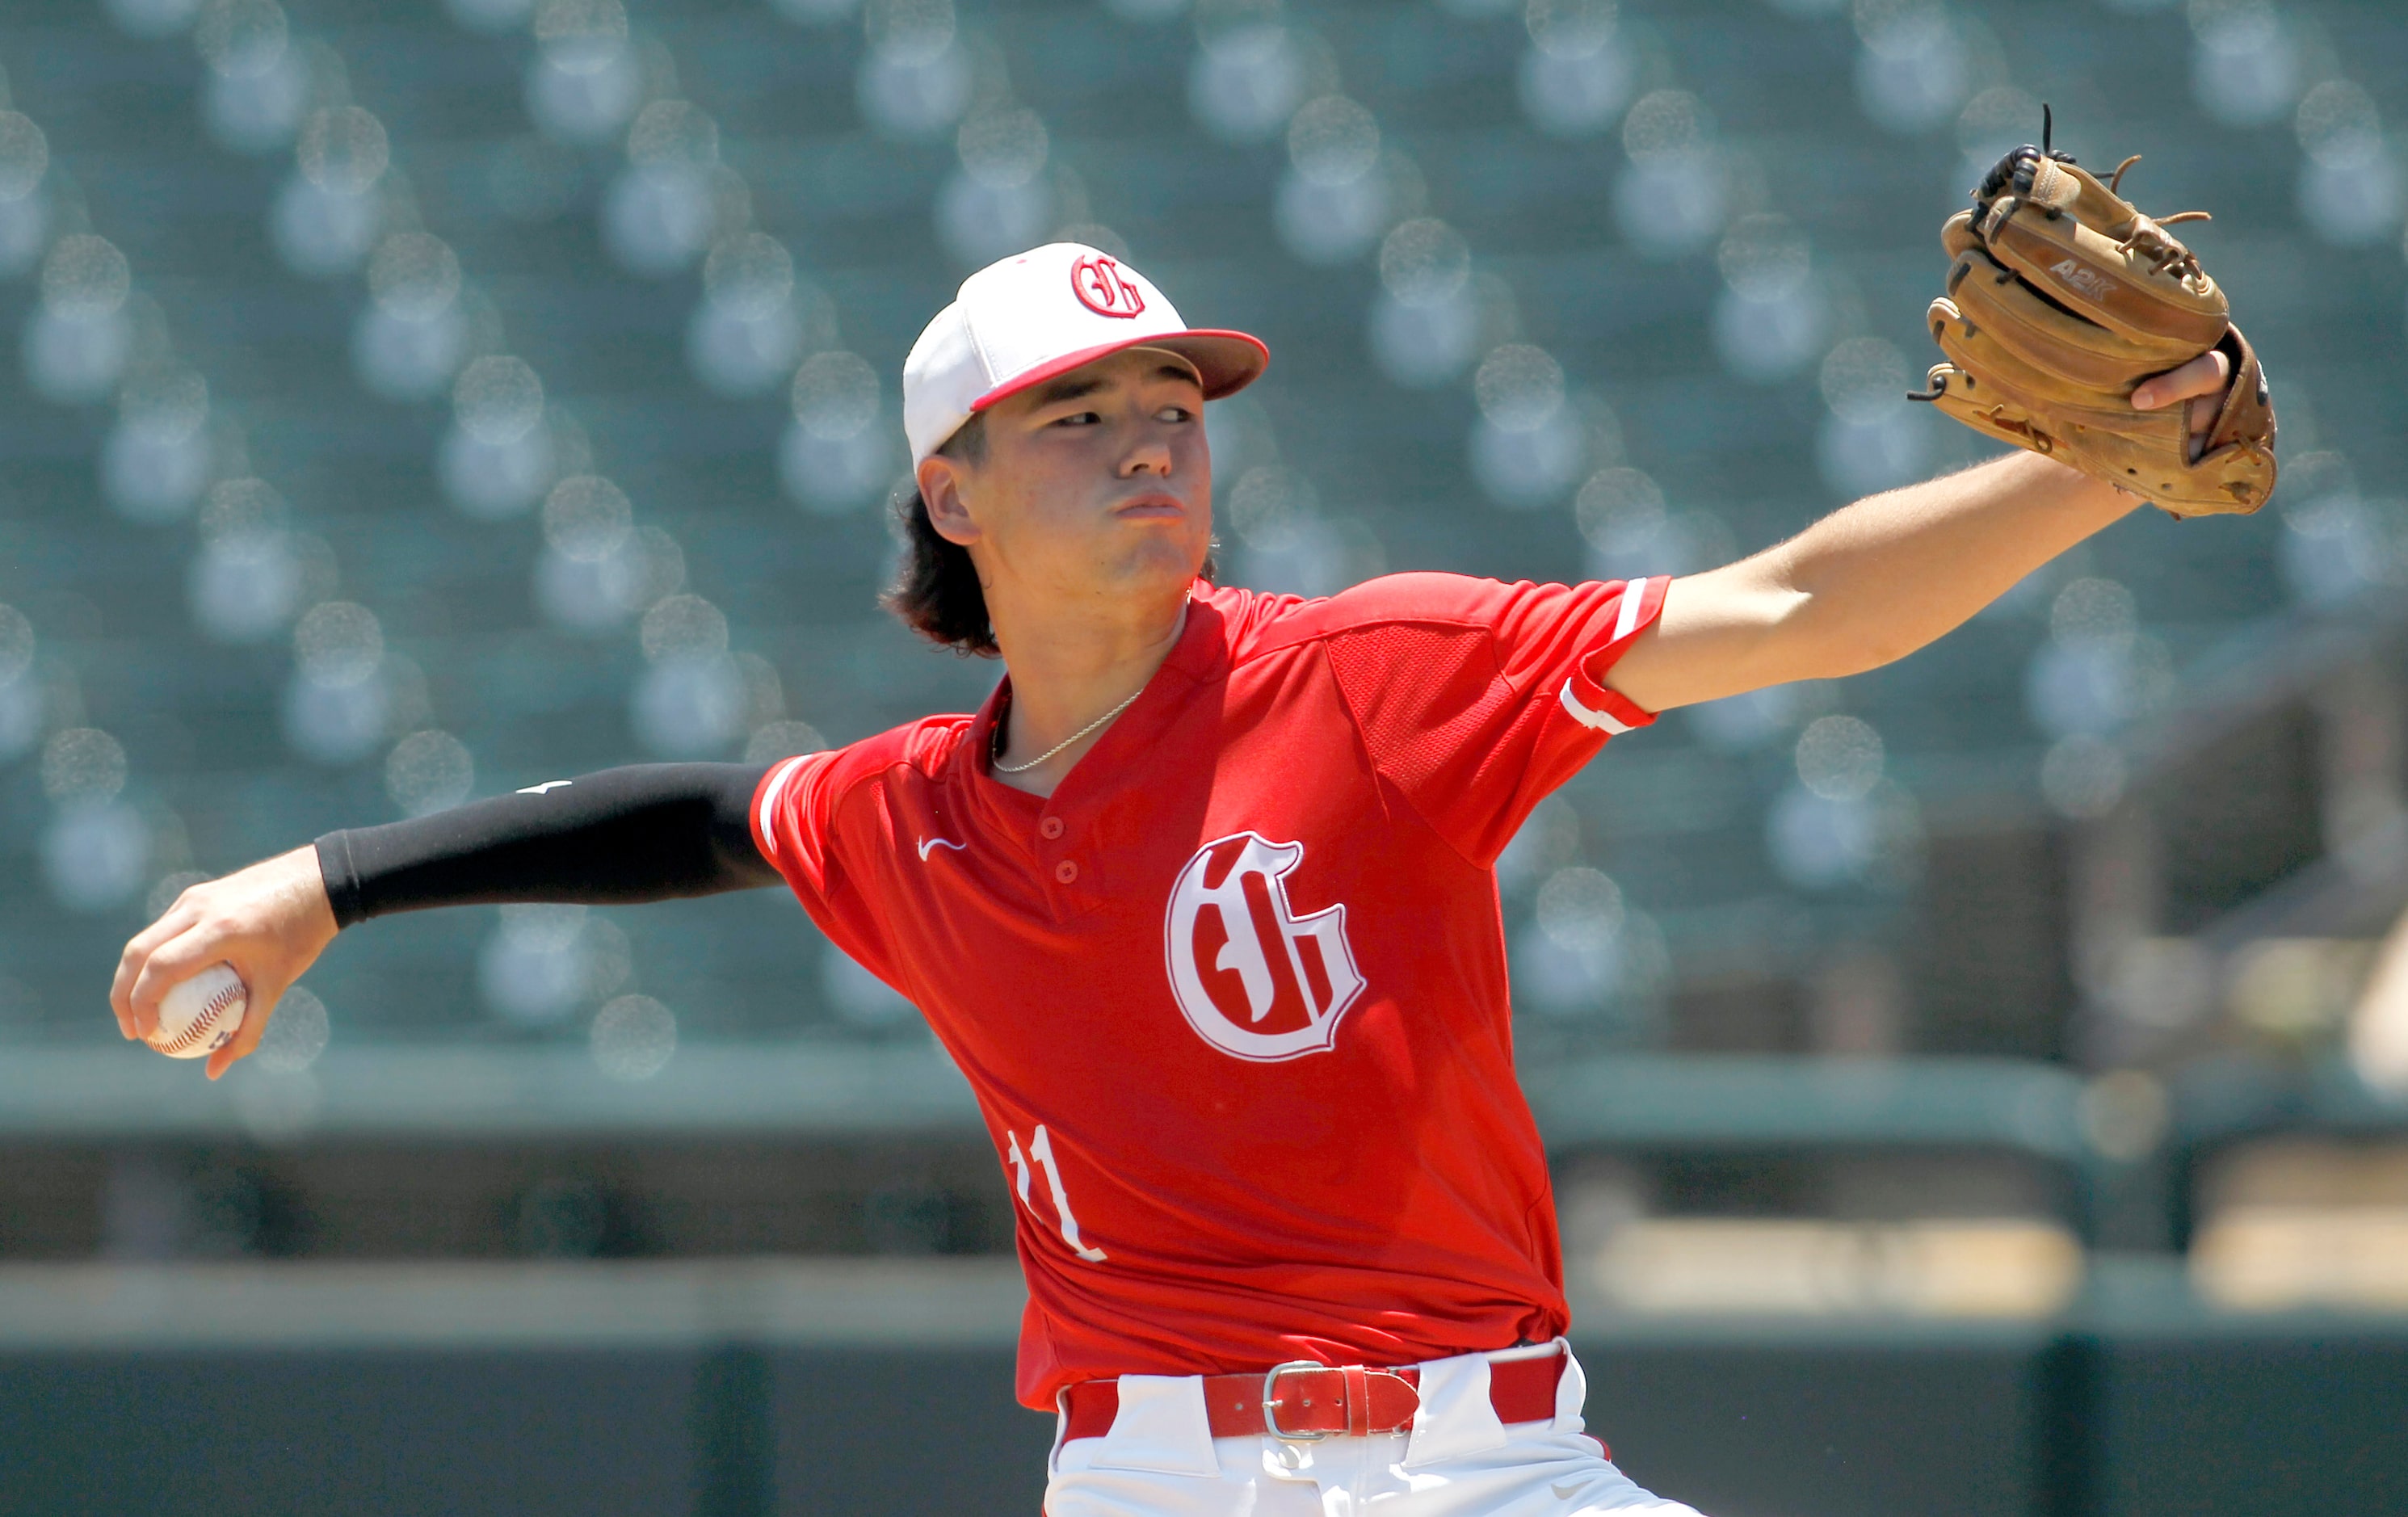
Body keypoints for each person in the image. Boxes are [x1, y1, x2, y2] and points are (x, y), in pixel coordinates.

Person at [111, 242, 2238, 1515]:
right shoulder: (914, 817)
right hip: (1143, 1480)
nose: (1151, 439)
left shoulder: (1384, 674)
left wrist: (2086, 466)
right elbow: (688, 818)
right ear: (950, 493)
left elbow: (1788, 614)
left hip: (1476, 1467)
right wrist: (322, 885)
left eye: (1173, 401)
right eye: (1077, 417)